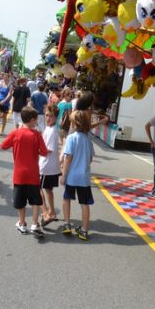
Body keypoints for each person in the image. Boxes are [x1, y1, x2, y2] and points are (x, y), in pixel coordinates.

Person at [0, 106, 48, 236]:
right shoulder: (37, 135)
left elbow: (3, 146)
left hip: (19, 174)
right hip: (33, 174)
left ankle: (22, 223)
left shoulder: (16, 133)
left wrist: (15, 147)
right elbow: (44, 152)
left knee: (20, 200)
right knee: (35, 201)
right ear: (32, 120)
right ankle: (34, 223)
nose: (37, 122)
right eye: (36, 119)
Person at [62, 103, 95, 241]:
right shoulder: (88, 139)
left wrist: (63, 175)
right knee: (84, 203)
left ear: (74, 124)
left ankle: (67, 223)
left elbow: (68, 158)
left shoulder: (71, 138)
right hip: (84, 177)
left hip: (72, 176)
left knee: (66, 199)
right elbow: (91, 158)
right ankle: (84, 230)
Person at [39, 104, 61, 226]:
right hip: (51, 166)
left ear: (55, 118)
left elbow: (48, 150)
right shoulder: (48, 128)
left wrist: (34, 150)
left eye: (51, 116)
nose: (48, 118)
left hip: (46, 166)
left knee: (38, 188)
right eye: (47, 115)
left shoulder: (52, 131)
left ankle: (46, 213)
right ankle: (52, 212)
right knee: (48, 189)